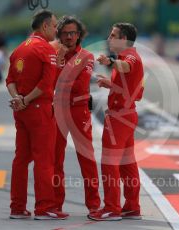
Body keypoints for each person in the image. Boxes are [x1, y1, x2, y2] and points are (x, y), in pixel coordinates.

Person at [6, 9, 68, 220]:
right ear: (44, 27)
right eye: (54, 26)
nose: (56, 30)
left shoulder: (19, 49)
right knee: (44, 159)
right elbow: (46, 84)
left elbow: (10, 81)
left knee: (21, 159)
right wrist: (27, 100)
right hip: (39, 110)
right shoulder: (45, 49)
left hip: (21, 112)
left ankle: (17, 207)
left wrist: (18, 99)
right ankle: (45, 207)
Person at [88, 22, 144, 221]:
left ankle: (112, 208)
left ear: (124, 39)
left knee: (109, 163)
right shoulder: (129, 56)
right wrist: (110, 84)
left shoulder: (129, 57)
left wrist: (110, 61)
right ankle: (131, 206)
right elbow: (134, 91)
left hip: (119, 117)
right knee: (127, 164)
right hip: (127, 114)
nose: (109, 38)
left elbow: (127, 66)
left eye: (113, 35)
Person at [51, 15, 100, 216]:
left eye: (73, 33)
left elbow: (78, 85)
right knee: (55, 158)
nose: (70, 37)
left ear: (79, 35)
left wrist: (60, 69)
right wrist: (60, 62)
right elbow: (50, 83)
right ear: (59, 35)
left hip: (79, 111)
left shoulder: (87, 56)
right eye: (65, 33)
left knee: (86, 158)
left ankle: (94, 205)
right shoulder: (53, 53)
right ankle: (54, 204)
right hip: (58, 111)